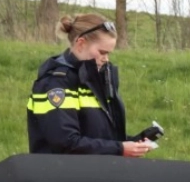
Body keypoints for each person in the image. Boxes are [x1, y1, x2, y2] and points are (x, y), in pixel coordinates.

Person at [26, 13, 155, 157]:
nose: (106, 59)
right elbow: (65, 144)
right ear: (81, 43)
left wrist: (133, 144)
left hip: (94, 175)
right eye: (102, 52)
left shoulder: (97, 81)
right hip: (61, 177)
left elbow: (101, 137)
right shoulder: (56, 84)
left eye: (109, 54)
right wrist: (119, 149)